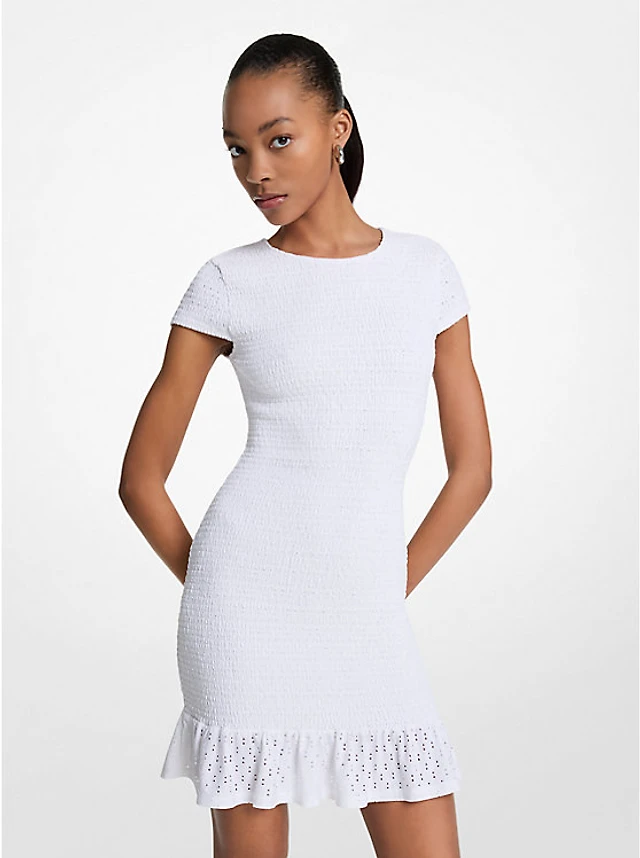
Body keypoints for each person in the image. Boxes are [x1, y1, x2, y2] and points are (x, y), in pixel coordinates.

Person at [119, 32, 492, 858]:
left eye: (278, 139)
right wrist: (221, 588)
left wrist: (382, 586)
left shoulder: (426, 272)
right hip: (243, 617)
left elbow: (473, 472)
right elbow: (141, 479)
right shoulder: (228, 281)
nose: (256, 170)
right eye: (237, 149)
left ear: (338, 129)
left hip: (366, 614)